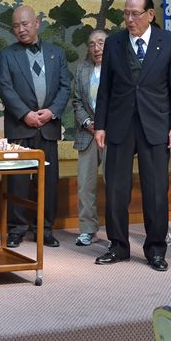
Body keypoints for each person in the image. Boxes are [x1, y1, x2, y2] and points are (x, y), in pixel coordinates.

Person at [94, 0, 171, 271]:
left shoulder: (168, 42)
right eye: (126, 13)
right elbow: (105, 89)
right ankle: (118, 246)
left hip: (156, 124)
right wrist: (100, 125)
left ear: (150, 14)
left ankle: (156, 249)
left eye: (135, 14)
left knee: (156, 190)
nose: (129, 19)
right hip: (120, 124)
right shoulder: (114, 43)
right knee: (117, 190)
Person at [0, 5, 71, 248]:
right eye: (16, 26)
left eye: (25, 24)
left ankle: (44, 228)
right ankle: (17, 229)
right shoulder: (7, 55)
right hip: (20, 127)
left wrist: (51, 112)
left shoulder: (56, 54)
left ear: (37, 22)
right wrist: (25, 114)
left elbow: (64, 88)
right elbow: (5, 88)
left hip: (48, 127)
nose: (20, 29)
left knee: (48, 181)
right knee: (17, 180)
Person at [71, 28, 107, 247]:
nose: (97, 48)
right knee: (85, 185)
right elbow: (76, 102)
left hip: (112, 135)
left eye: (101, 43)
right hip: (88, 134)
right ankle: (87, 229)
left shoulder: (118, 69)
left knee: (113, 184)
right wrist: (88, 124)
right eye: (92, 44)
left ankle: (116, 232)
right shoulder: (82, 69)